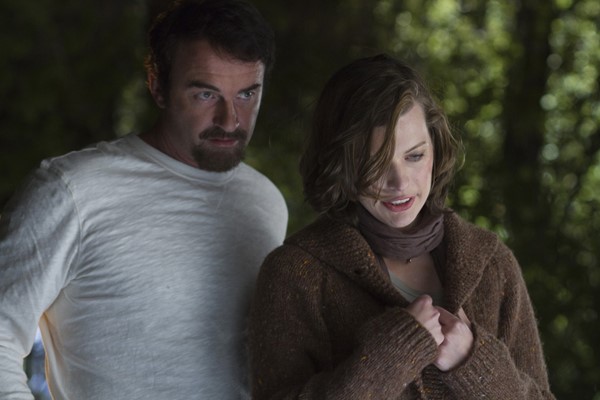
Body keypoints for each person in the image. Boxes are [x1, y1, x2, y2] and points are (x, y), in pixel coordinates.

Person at [0, 0, 288, 398]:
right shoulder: (71, 192)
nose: (230, 120)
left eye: (246, 94)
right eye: (206, 95)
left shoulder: (266, 201)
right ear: (157, 86)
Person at [248, 54, 555, 399]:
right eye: (375, 163)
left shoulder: (492, 263)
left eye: (414, 156)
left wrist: (474, 363)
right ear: (340, 164)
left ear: (436, 148)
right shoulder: (295, 273)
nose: (400, 182)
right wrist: (392, 355)